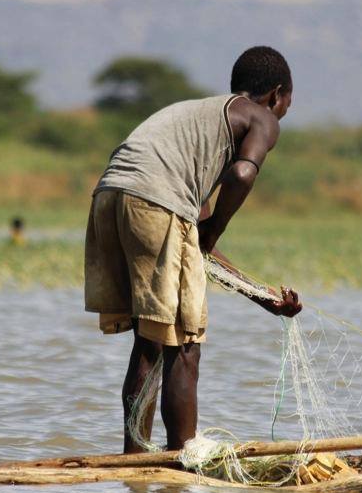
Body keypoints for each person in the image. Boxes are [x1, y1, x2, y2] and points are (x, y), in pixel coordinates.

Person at [85, 46, 303, 454]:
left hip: (110, 195)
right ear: (276, 95)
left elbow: (197, 246)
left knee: (151, 340)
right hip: (154, 200)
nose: (281, 113)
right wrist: (216, 228)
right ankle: (181, 459)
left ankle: (136, 461)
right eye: (286, 104)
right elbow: (242, 174)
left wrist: (265, 298)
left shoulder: (200, 127)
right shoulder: (262, 119)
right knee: (184, 346)